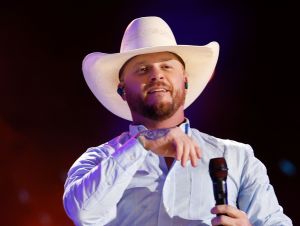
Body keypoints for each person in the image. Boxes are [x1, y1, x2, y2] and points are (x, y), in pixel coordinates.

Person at [63, 16, 293, 226]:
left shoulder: (238, 157)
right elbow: (83, 213)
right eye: (142, 69)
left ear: (185, 80)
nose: (156, 75)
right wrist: (144, 144)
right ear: (122, 90)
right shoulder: (98, 159)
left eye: (166, 66)